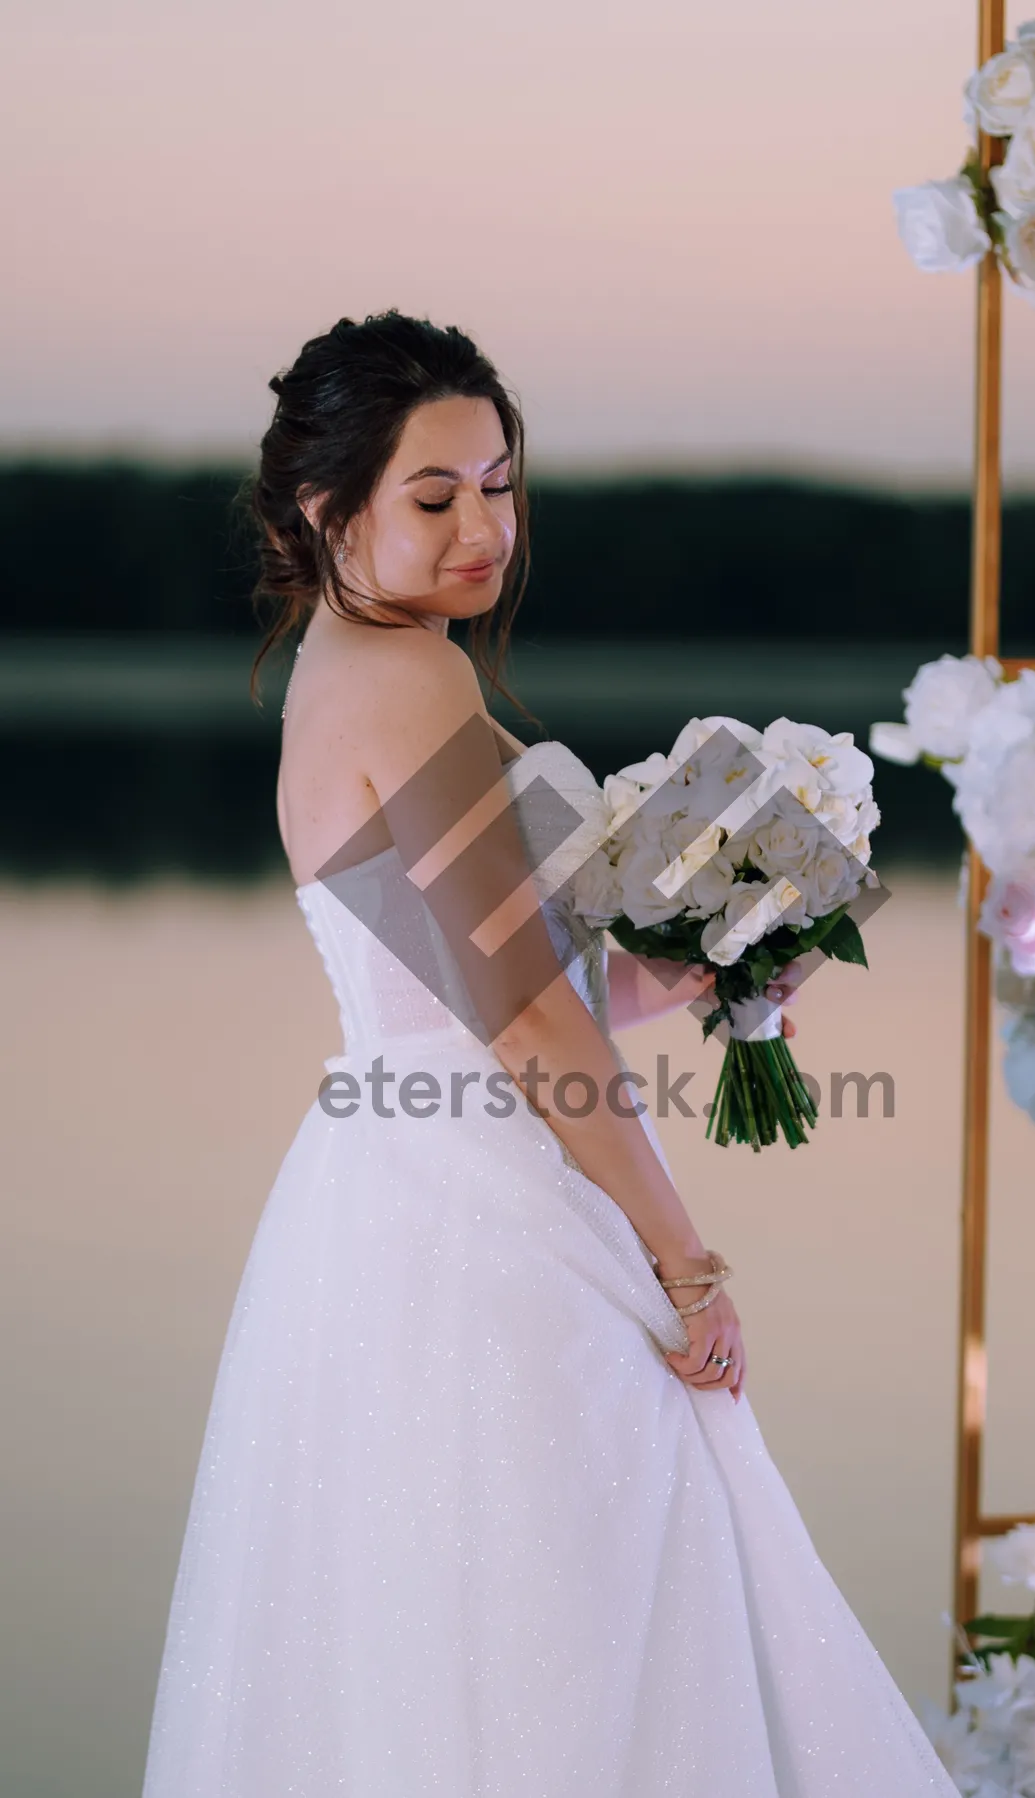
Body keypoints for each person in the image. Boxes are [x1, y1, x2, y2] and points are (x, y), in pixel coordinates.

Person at [141, 311, 957, 1797]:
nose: (481, 530)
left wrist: (719, 956)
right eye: (434, 497)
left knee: (469, 1656)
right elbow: (522, 1020)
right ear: (327, 513)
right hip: (484, 1230)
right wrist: (684, 1255)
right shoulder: (409, 680)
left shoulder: (352, 665)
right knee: (581, 1646)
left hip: (399, 1192)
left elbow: (498, 985)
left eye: (499, 484)